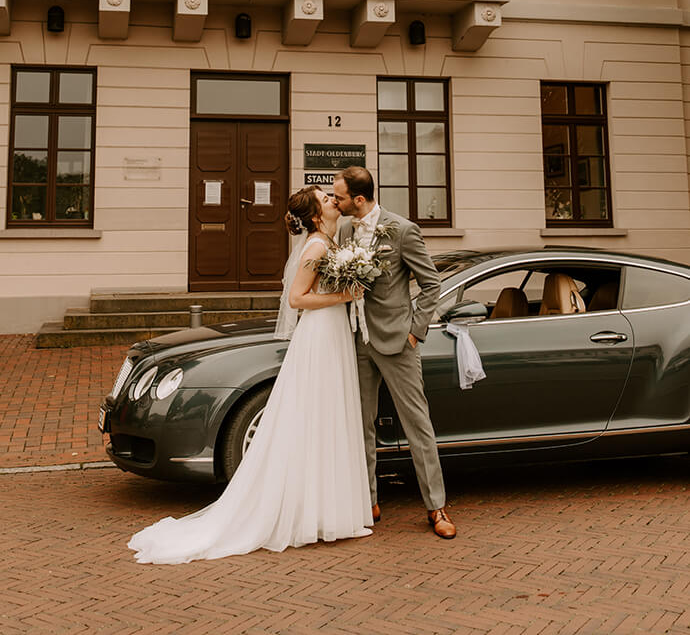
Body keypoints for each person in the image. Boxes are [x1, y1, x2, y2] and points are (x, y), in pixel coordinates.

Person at [128, 185, 372, 564]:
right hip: (321, 334)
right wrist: (343, 296)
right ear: (313, 215)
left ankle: (328, 511)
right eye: (325, 199)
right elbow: (296, 299)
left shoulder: (331, 241)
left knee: (327, 419)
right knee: (315, 416)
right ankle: (312, 514)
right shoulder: (317, 247)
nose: (332, 201)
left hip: (333, 333)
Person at [332, 166, 457, 540]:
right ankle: (369, 499)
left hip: (397, 343)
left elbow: (431, 284)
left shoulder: (402, 230)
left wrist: (415, 333)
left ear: (358, 198)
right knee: (362, 425)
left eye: (339, 196)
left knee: (417, 424)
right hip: (357, 340)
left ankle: (436, 507)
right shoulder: (343, 230)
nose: (335, 202)